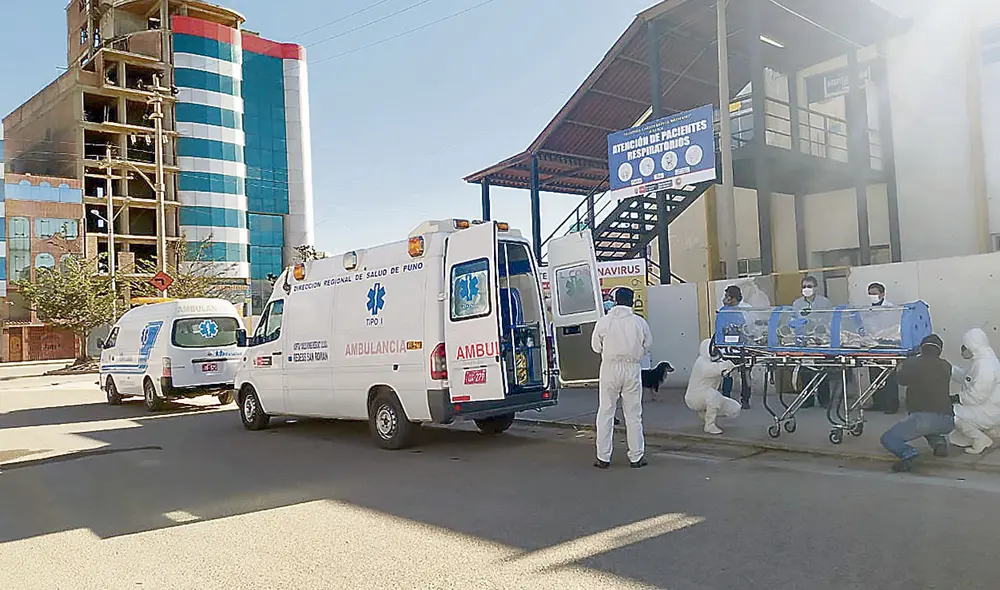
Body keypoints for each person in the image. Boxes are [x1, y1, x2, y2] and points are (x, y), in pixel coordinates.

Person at [591, 287, 653, 469]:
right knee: (633, 414)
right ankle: (636, 457)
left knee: (606, 412)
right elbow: (648, 344)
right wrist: (638, 354)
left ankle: (603, 457)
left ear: (615, 301)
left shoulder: (604, 322)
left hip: (609, 368)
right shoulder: (639, 322)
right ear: (632, 301)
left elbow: (595, 346)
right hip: (632, 368)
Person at [879, 334, 954, 472]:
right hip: (947, 420)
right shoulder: (946, 365)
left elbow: (901, 380)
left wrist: (907, 361)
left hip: (922, 418)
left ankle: (909, 454)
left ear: (921, 348)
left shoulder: (913, 363)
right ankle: (939, 443)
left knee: (888, 439)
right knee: (928, 426)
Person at [949, 328, 1000, 454]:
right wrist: (950, 369)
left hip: (987, 410)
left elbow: (977, 396)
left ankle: (981, 439)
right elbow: (968, 378)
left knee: (949, 413)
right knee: (955, 437)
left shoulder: (985, 367)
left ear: (973, 346)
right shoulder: (980, 360)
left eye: (965, 347)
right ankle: (990, 430)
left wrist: (955, 398)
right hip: (986, 407)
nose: (963, 350)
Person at [686, 339, 743, 434]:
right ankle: (709, 425)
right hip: (694, 398)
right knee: (714, 396)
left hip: (706, 395)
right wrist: (730, 363)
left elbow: (723, 367)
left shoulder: (714, 361)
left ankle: (704, 412)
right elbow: (716, 369)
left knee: (735, 409)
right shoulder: (701, 363)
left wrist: (735, 361)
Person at [792, 275, 833, 408]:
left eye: (809, 286)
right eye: (804, 286)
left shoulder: (824, 302)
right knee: (805, 371)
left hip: (820, 340)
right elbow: (794, 319)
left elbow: (829, 319)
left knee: (821, 370)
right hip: (803, 340)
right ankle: (807, 399)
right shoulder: (797, 304)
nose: (806, 289)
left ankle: (824, 400)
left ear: (816, 287)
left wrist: (819, 328)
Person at [866, 282, 900, 413]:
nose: (872, 296)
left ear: (882, 294)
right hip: (873, 345)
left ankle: (891, 405)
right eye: (870, 293)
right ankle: (877, 403)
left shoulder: (891, 308)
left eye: (874, 293)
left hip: (888, 344)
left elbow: (894, 327)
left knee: (889, 376)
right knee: (874, 375)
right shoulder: (868, 309)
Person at [720, 285, 753, 409]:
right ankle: (725, 398)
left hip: (744, 346)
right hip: (729, 346)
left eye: (727, 296)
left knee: (746, 374)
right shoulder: (726, 309)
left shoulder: (747, 309)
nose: (725, 299)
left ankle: (745, 400)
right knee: (727, 372)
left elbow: (750, 326)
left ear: (733, 298)